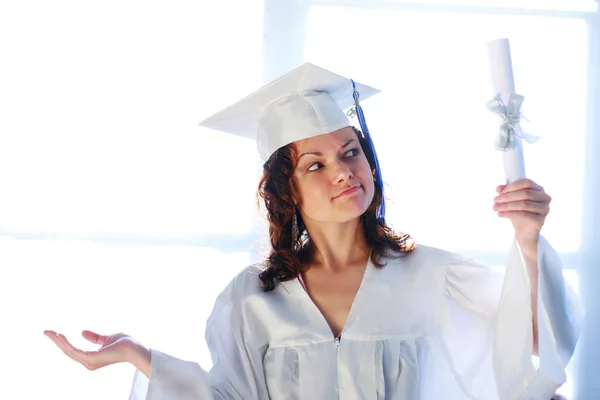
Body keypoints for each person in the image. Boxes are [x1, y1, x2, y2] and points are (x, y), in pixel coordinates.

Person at [44, 63, 583, 399]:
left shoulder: (434, 276)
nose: (344, 171)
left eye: (351, 152)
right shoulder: (252, 299)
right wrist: (141, 356)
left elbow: (535, 344)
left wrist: (528, 241)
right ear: (288, 194)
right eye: (316, 165)